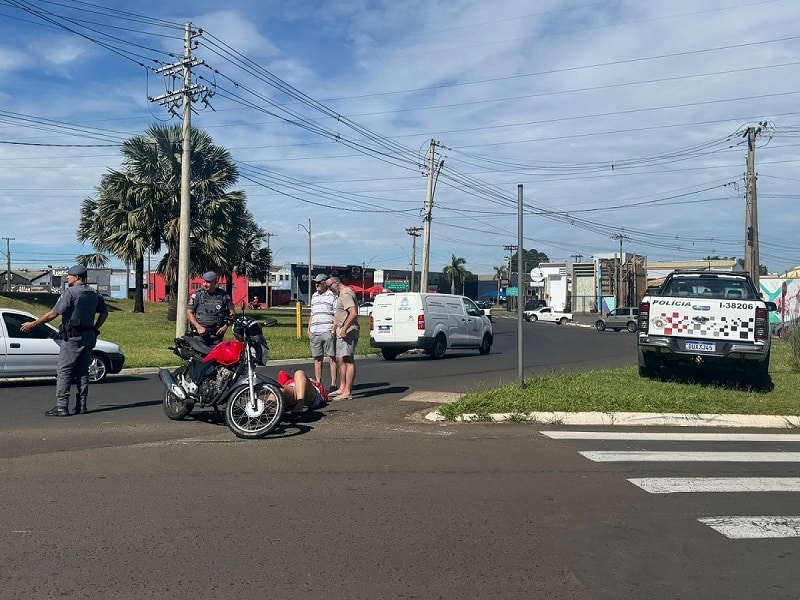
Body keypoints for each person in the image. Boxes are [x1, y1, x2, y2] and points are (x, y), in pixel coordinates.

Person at [21, 264, 108, 416]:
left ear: (77, 277)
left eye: (69, 276)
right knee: (82, 372)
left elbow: (54, 314)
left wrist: (33, 324)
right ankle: (82, 405)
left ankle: (62, 407)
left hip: (73, 337)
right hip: (88, 336)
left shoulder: (70, 293)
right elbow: (104, 313)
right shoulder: (94, 293)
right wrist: (94, 328)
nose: (67, 278)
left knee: (64, 371)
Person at [326, 275, 359, 400]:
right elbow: (340, 314)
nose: (329, 289)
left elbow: (353, 313)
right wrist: (335, 328)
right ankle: (342, 387)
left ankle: (347, 391)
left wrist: (344, 328)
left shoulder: (345, 294)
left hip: (348, 331)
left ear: (336, 283)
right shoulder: (341, 294)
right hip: (341, 331)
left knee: (348, 360)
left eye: (330, 286)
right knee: (341, 359)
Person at [186, 271, 235, 346]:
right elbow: (189, 312)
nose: (205, 284)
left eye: (208, 282)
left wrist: (225, 326)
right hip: (199, 336)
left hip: (216, 337)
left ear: (215, 282)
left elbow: (232, 314)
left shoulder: (224, 296)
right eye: (204, 282)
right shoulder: (197, 295)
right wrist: (198, 327)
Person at [308, 273, 338, 391]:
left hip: (327, 330)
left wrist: (333, 329)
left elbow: (336, 314)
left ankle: (333, 384)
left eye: (318, 283)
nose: (316, 285)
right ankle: (318, 384)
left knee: (331, 357)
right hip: (315, 331)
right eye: (315, 283)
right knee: (317, 359)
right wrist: (309, 328)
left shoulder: (332, 296)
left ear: (324, 283)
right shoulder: (314, 296)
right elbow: (312, 313)